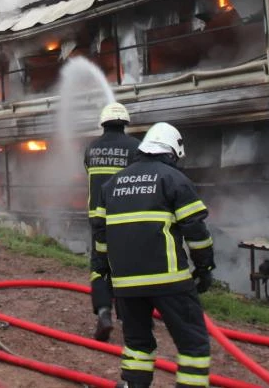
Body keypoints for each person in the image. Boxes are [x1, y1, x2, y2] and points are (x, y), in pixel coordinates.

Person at [91, 122, 215, 388]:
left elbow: (100, 236)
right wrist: (204, 267)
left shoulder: (111, 185)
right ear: (171, 152)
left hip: (126, 285)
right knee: (193, 344)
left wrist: (104, 273)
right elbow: (195, 229)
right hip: (169, 281)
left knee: (137, 346)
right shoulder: (174, 179)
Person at [84, 101, 141, 342]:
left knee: (100, 266)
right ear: (125, 123)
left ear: (103, 123)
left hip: (98, 218)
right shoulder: (137, 148)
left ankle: (105, 311)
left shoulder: (91, 149)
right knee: (128, 265)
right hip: (127, 218)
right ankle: (130, 317)